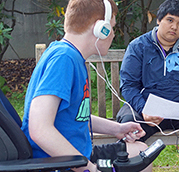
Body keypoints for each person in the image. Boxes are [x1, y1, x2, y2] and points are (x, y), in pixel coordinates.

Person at [21, 0, 151, 171]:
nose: (112, 34)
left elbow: (75, 115)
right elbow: (40, 129)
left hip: (77, 156)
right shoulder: (64, 59)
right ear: (100, 29)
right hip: (59, 163)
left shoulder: (70, 56)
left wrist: (117, 129)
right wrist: (88, 168)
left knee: (141, 151)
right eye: (111, 27)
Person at [116, 0, 179, 142]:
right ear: (158, 20)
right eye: (170, 20)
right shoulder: (138, 47)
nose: (174, 27)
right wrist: (143, 109)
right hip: (146, 107)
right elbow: (129, 86)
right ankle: (136, 163)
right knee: (129, 129)